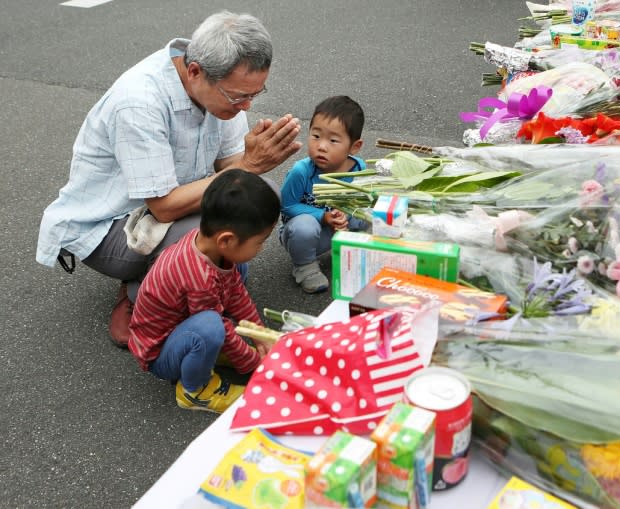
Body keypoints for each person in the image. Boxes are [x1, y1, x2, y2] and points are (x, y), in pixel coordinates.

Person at [35, 11, 301, 347]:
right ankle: (140, 292)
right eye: (238, 97)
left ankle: (180, 282)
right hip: (113, 226)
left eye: (255, 94)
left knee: (260, 197)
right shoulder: (139, 102)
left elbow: (230, 164)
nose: (246, 105)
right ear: (194, 72)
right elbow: (163, 207)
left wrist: (252, 159)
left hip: (169, 205)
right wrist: (247, 166)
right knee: (207, 235)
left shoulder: (220, 86)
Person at [128, 169, 277, 413]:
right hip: (160, 352)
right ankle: (195, 390)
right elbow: (220, 326)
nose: (261, 248)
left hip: (182, 327)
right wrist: (253, 364)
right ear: (226, 240)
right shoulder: (198, 276)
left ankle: (207, 354)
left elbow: (235, 292)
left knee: (236, 276)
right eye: (259, 242)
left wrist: (259, 334)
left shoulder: (208, 246)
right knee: (211, 327)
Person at [279, 96, 369, 293]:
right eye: (316, 136)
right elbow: (287, 205)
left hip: (338, 228)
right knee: (304, 227)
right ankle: (305, 267)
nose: (321, 146)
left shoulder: (359, 168)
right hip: (306, 233)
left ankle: (355, 250)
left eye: (333, 140)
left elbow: (359, 200)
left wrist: (346, 214)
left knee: (369, 211)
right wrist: (323, 216)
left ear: (354, 146)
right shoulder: (301, 171)